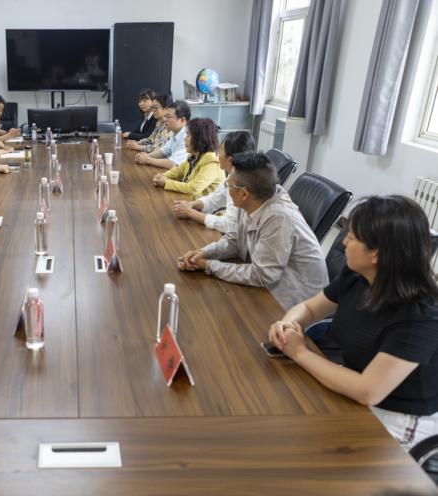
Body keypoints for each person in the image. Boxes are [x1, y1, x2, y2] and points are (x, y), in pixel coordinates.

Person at [268, 196, 438, 450]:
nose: (343, 242)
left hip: (398, 417)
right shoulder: (357, 276)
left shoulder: (420, 315)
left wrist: (299, 352)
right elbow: (310, 308)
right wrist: (288, 324)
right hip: (352, 386)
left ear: (376, 254)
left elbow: (368, 391)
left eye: (352, 237)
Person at [178, 152, 327, 310]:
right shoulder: (255, 198)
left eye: (229, 185)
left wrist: (210, 266)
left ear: (243, 193)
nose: (227, 188)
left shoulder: (279, 217)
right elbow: (235, 240)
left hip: (298, 301)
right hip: (272, 283)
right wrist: (204, 253)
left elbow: (262, 275)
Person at [172, 131, 257, 233]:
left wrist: (190, 213)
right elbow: (214, 199)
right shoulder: (233, 174)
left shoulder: (242, 184)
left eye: (220, 150)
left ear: (230, 160)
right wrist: (192, 205)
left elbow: (229, 225)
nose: (217, 154)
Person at [152, 118, 225, 199]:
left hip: (202, 206)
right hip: (190, 201)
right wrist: (162, 176)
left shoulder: (212, 161)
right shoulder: (194, 156)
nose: (185, 139)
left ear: (199, 139)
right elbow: (178, 171)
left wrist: (166, 182)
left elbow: (194, 188)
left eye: (188, 135)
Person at [135, 100, 190, 169]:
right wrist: (146, 156)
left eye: (168, 117)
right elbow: (163, 151)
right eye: (165, 116)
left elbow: (173, 164)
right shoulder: (175, 133)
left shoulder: (188, 137)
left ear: (182, 120)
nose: (165, 119)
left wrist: (148, 160)